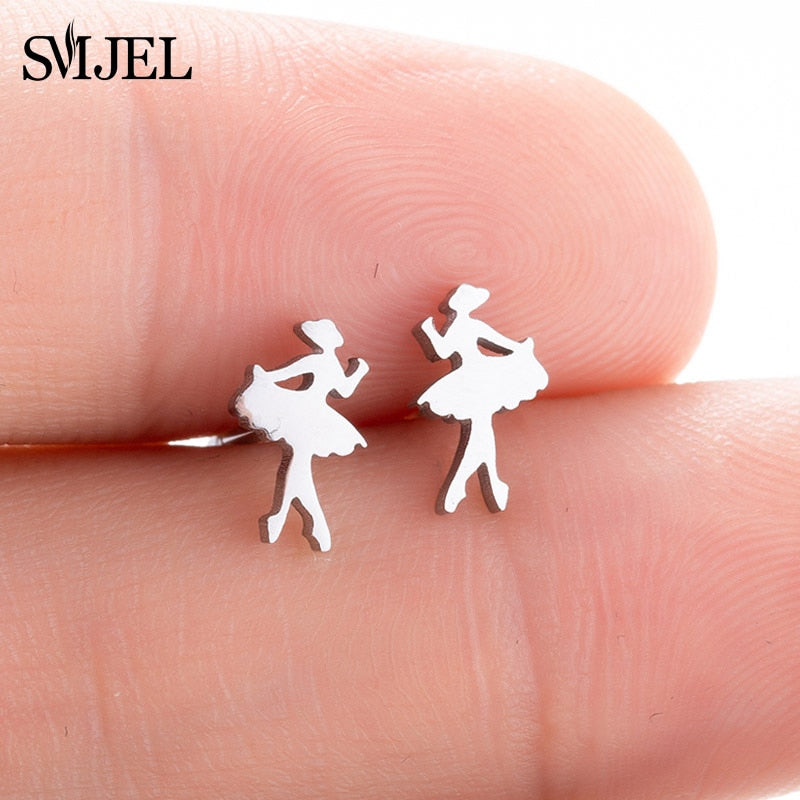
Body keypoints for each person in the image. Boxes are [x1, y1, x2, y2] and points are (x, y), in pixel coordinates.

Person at [2, 3, 798, 799]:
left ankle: (401, 499)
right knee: (378, 459)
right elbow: (384, 362)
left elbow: (376, 375)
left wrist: (420, 358)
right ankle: (370, 505)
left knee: (433, 449)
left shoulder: (422, 340)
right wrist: (377, 360)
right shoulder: (358, 353)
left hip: (426, 397)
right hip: (362, 409)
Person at [230, 319, 368, 551]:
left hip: (310, 416)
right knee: (300, 463)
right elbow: (282, 374)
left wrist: (358, 371)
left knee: (299, 464)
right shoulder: (315, 360)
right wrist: (261, 376)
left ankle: (283, 517)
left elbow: (344, 390)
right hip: (302, 412)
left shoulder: (329, 362)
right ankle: (295, 519)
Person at [415, 283, 548, 513]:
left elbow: (445, 351)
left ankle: (469, 484)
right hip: (474, 380)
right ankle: (483, 482)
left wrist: (429, 331)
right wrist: (427, 332)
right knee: (481, 429)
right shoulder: (468, 326)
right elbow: (443, 352)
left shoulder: (465, 326)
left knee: (480, 429)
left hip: (479, 379)